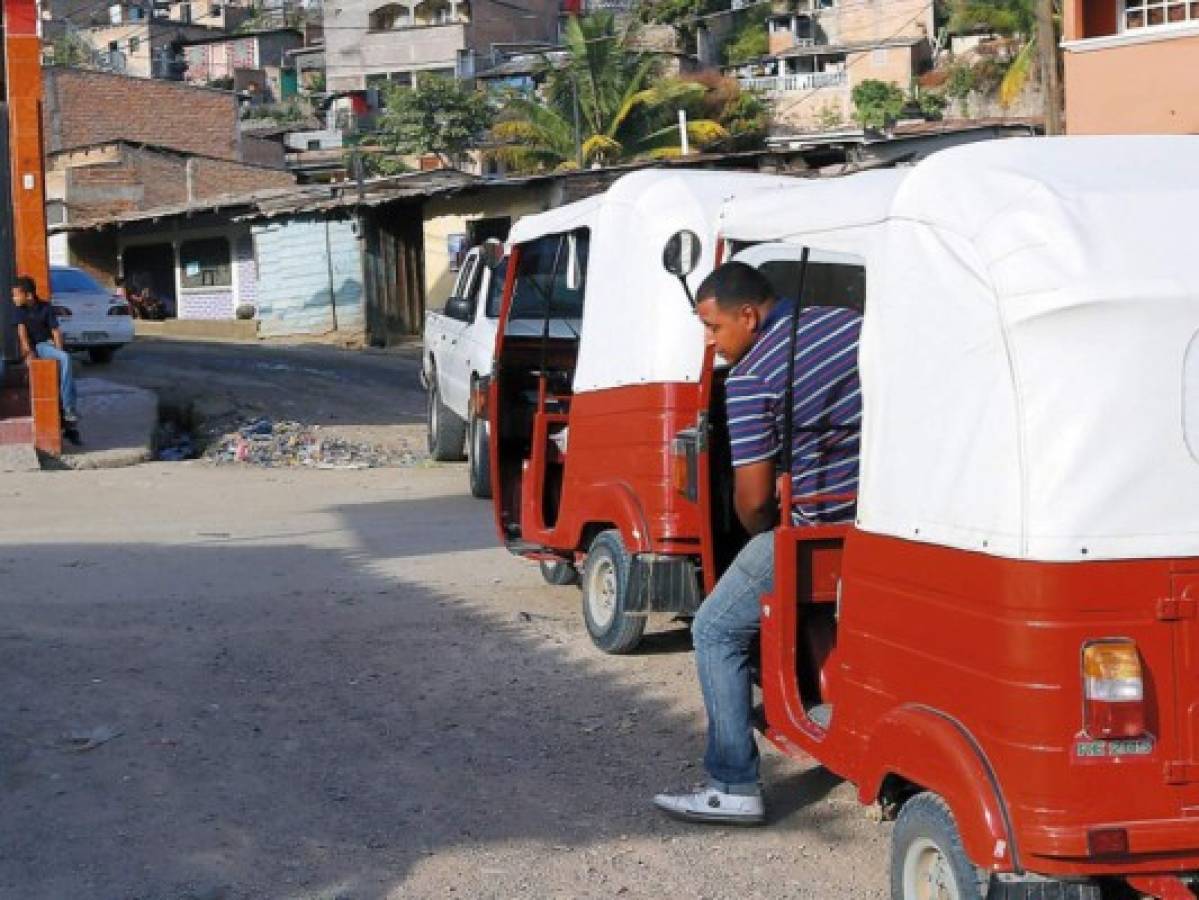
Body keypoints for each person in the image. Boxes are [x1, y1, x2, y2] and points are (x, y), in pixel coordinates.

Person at [653, 261, 862, 826]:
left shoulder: (752, 378)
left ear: (749, 315)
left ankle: (733, 783)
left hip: (813, 531)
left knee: (714, 628)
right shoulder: (851, 326)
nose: (710, 341)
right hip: (878, 527)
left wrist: (757, 533)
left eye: (714, 327)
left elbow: (751, 498)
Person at [12, 274, 81, 432]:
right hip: (36, 347)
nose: (14, 298)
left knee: (65, 359)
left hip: (47, 345)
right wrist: (29, 353)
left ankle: (68, 407)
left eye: (16, 294)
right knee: (64, 360)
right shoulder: (19, 311)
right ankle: (68, 407)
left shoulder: (45, 307)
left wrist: (58, 350)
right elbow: (22, 335)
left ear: (28, 295)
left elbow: (55, 331)